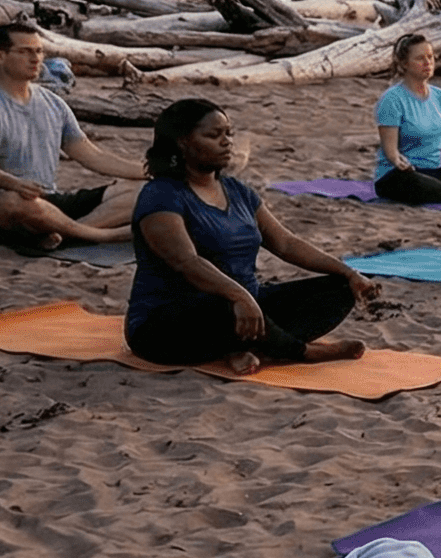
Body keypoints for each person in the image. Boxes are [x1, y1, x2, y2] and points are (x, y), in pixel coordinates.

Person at [126, 97, 379, 372]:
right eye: (214, 135)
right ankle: (301, 352)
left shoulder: (237, 191)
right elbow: (186, 262)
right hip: (166, 324)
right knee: (222, 308)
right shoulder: (160, 196)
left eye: (228, 134)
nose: (227, 142)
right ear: (182, 142)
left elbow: (286, 243)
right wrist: (239, 296)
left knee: (339, 289)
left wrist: (350, 273)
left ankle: (242, 346)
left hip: (245, 306)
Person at [0, 21, 144, 250]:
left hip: (49, 201)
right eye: (25, 51)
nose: (35, 58)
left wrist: (150, 171)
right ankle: (101, 235)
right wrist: (15, 184)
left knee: (143, 191)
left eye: (39, 51)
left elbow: (91, 155)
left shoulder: (53, 103)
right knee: (14, 202)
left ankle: (65, 234)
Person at [373, 34, 441, 205]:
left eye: (430, 57)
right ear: (404, 64)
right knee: (414, 182)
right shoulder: (392, 99)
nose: (428, 62)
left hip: (436, 172)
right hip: (401, 175)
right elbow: (391, 153)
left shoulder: (440, 96)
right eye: (420, 58)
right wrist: (400, 162)